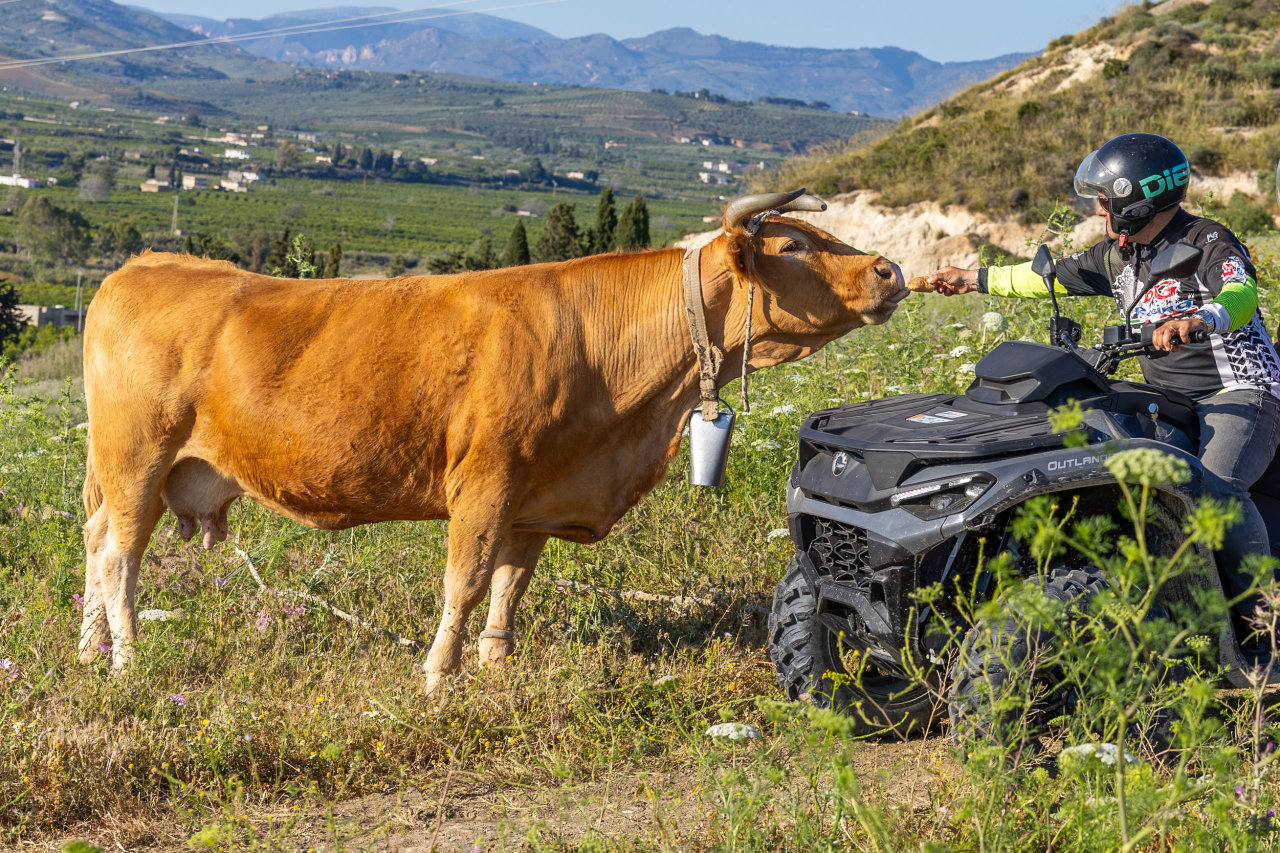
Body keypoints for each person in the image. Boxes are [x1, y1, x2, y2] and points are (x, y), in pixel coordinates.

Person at [927, 132, 1280, 630]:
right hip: (1170, 393)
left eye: (1102, 200)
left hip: (1241, 390)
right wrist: (971, 278)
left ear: (1134, 200)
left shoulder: (1207, 241)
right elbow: (1042, 277)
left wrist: (1201, 320)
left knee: (1218, 489)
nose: (1097, 211)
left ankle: (1263, 618)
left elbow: (1241, 293)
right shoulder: (1119, 256)